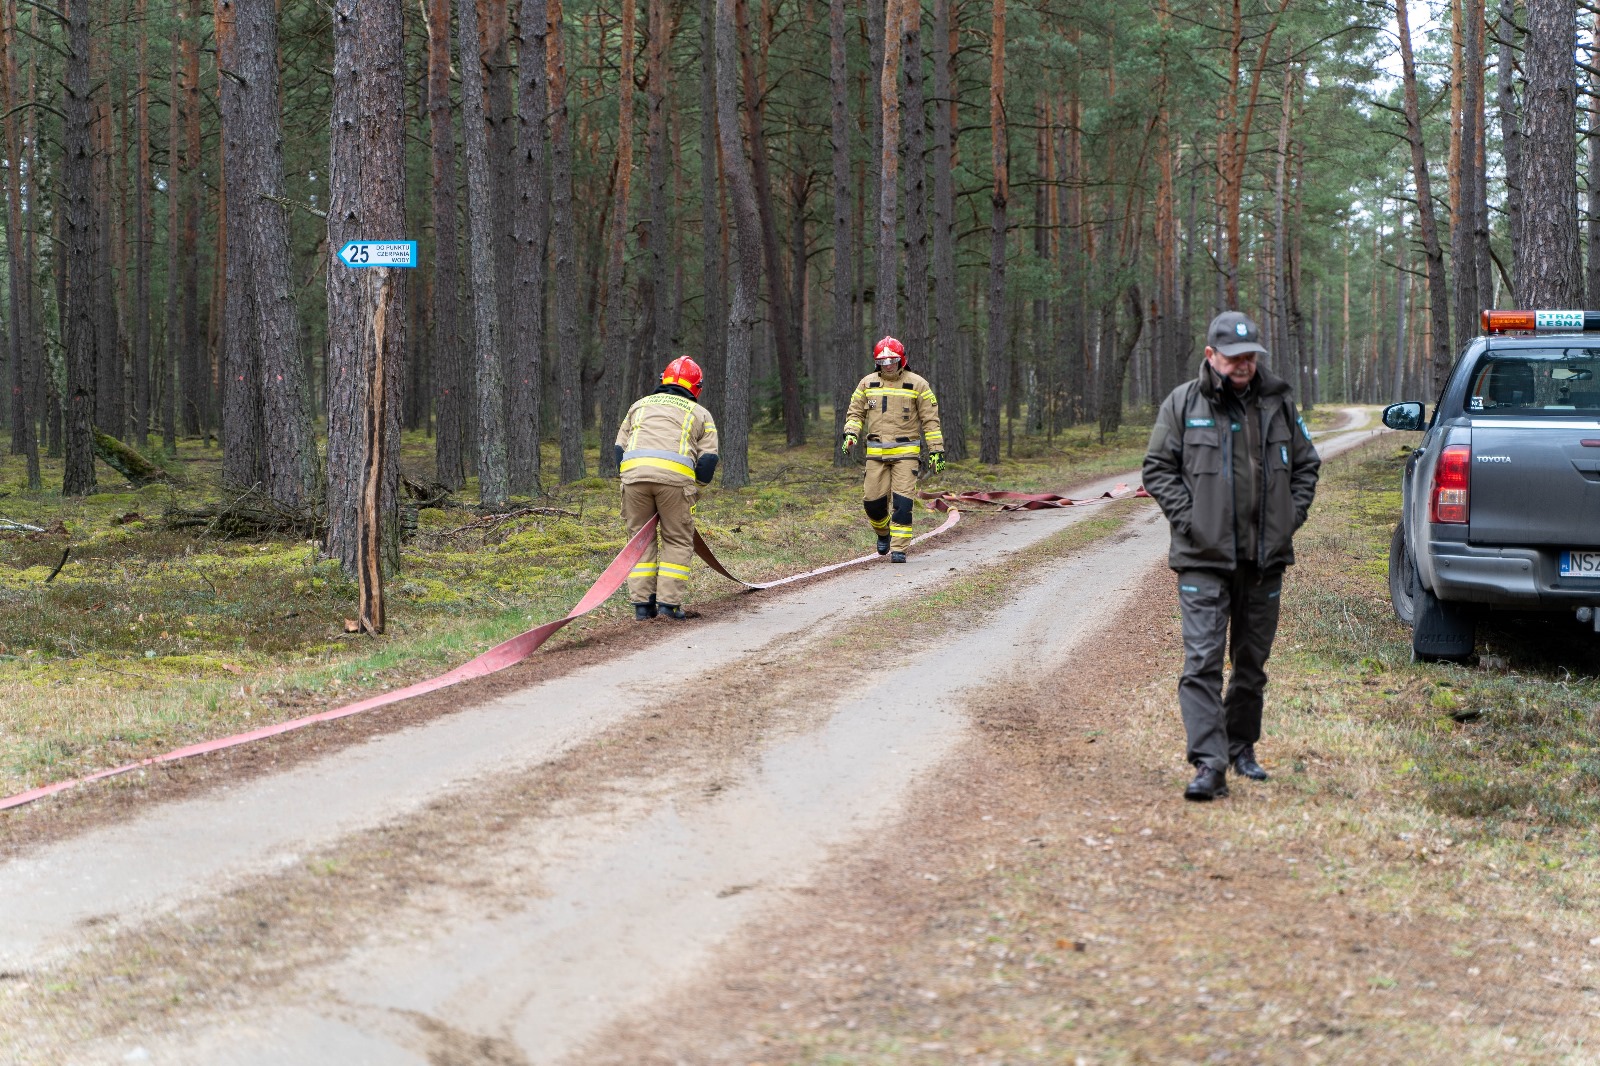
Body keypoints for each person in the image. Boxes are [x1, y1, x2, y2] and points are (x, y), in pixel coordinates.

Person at [1142, 311, 1321, 801]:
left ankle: (1241, 746)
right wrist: (1191, 521)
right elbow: (1157, 469)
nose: (1243, 364)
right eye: (1234, 356)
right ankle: (1209, 764)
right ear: (1211, 355)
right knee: (1202, 660)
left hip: (1263, 561)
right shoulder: (1184, 403)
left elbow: (1306, 466)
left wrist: (1288, 519)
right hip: (1202, 558)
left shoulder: (1278, 403)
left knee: (1250, 663)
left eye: (1250, 356)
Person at [615, 357, 719, 620]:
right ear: (697, 387)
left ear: (663, 380)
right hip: (675, 483)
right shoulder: (700, 414)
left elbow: (619, 449)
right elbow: (708, 461)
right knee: (677, 540)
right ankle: (667, 607)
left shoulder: (638, 406)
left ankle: (642, 607)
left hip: (634, 479)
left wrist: (630, 478)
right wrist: (693, 490)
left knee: (639, 540)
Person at [841, 336, 944, 562]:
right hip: (876, 453)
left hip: (905, 453)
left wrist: (936, 450)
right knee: (872, 503)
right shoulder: (867, 383)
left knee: (902, 503)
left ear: (901, 359)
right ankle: (883, 533)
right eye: (882, 361)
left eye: (892, 360)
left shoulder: (918, 384)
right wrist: (851, 433)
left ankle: (899, 549)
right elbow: (855, 413)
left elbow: (930, 420)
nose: (887, 365)